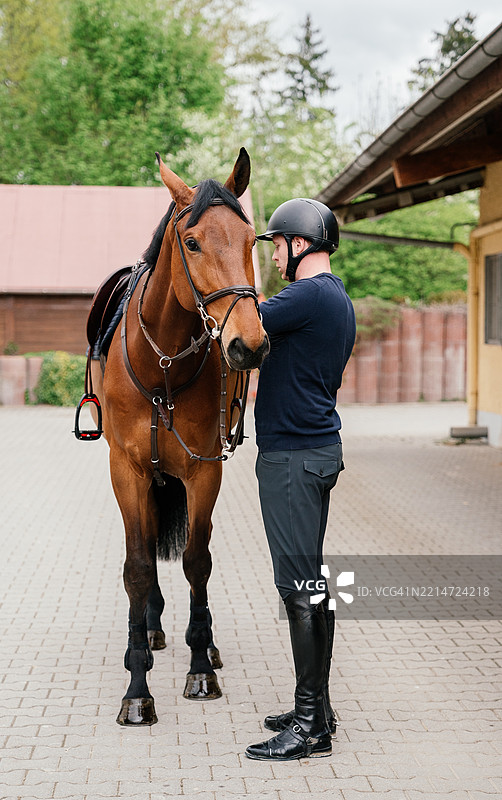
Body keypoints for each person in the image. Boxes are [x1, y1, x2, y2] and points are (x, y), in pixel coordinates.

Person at [245, 198, 356, 762]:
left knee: (299, 591)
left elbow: (243, 325)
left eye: (277, 245)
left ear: (297, 244)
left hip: (292, 458)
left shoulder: (305, 296)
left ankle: (311, 726)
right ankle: (319, 708)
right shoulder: (335, 298)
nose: (277, 256)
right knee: (314, 583)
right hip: (317, 452)